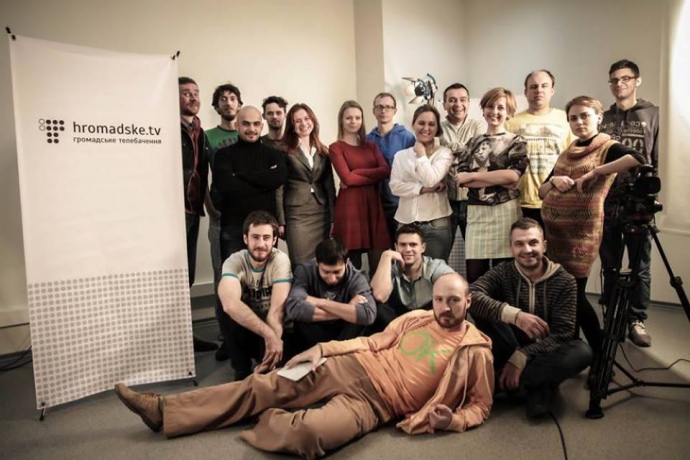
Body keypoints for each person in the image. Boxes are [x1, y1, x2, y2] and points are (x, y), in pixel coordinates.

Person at [114, 273, 494, 459]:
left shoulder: (475, 350)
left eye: (453, 301)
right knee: (263, 383)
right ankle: (164, 411)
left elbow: (481, 405)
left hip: (377, 404)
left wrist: (453, 421)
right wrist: (323, 350)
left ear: (468, 302)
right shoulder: (417, 318)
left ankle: (265, 415)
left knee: (309, 436)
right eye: (439, 299)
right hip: (352, 365)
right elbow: (372, 341)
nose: (444, 307)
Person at [539, 95, 645, 361]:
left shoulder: (607, 146)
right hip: (555, 236)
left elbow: (637, 158)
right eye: (573, 118)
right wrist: (555, 181)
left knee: (574, 294)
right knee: (563, 294)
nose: (579, 122)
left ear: (599, 117)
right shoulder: (568, 151)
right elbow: (541, 191)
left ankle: (599, 353)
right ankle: (571, 349)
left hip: (581, 236)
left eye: (584, 115)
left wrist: (597, 172)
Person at [470, 218, 592, 418]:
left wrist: (522, 356)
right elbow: (471, 295)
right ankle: (539, 387)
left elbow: (563, 334)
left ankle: (503, 383)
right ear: (511, 249)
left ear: (544, 246)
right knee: (481, 311)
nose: (527, 250)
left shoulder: (565, 281)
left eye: (533, 243)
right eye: (519, 244)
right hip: (508, 345)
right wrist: (515, 315)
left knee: (582, 351)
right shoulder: (502, 272)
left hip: (545, 352)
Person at [211, 107, 288, 362]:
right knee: (233, 290)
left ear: (262, 125)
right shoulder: (223, 155)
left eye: (256, 124)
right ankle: (236, 352)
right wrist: (261, 181)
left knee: (266, 290)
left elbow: (278, 177)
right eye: (246, 124)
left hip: (265, 232)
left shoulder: (274, 154)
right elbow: (226, 186)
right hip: (234, 230)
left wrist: (242, 177)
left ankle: (263, 341)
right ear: (237, 125)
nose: (252, 129)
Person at [599, 59, 660, 347]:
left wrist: (652, 194)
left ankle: (636, 319)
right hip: (607, 200)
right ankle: (612, 317)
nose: (619, 84)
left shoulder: (652, 114)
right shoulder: (603, 118)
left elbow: (656, 156)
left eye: (625, 78)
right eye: (614, 80)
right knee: (609, 265)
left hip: (639, 203)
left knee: (639, 265)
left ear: (637, 80)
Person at [453, 87, 529, 283]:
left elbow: (512, 176)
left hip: (505, 211)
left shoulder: (516, 142)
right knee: (475, 275)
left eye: (500, 107)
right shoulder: (472, 143)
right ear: (483, 109)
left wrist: (473, 176)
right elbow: (460, 178)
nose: (494, 112)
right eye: (490, 106)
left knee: (504, 275)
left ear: (509, 111)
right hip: (476, 213)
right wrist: (495, 177)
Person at [217, 211, 293, 380]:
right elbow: (229, 304)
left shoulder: (280, 260)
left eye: (266, 238)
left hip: (276, 328)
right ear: (246, 239)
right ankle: (241, 369)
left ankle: (266, 363)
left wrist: (272, 345)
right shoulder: (234, 261)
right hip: (252, 328)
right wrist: (268, 335)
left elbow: (277, 311)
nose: (260, 244)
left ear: (274, 240)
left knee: (274, 373)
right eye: (255, 237)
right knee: (223, 308)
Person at [178, 76, 217, 353]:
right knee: (172, 276)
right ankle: (174, 339)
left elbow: (201, 173)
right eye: (186, 93)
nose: (193, 97)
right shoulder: (166, 129)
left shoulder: (199, 132)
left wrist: (209, 208)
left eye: (196, 92)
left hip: (192, 211)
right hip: (172, 212)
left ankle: (184, 336)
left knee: (187, 276)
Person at [506, 70, 574, 228]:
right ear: (526, 92)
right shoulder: (511, 123)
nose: (539, 90)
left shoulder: (567, 119)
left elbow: (575, 158)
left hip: (557, 199)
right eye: (533, 87)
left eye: (544, 86)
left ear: (552, 90)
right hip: (520, 201)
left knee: (554, 244)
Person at [329, 100, 391, 272]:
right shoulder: (335, 148)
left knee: (379, 263)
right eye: (349, 118)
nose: (353, 121)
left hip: (373, 205)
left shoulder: (371, 145)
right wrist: (372, 175)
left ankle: (378, 291)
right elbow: (347, 179)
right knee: (351, 266)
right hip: (350, 208)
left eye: (357, 117)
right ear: (341, 120)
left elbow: (386, 171)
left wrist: (357, 172)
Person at [286, 238, 376, 350]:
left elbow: (368, 314)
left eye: (337, 272)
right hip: (315, 333)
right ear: (317, 263)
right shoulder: (305, 270)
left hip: (344, 335)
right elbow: (293, 307)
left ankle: (335, 352)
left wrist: (319, 302)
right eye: (326, 272)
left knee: (363, 319)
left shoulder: (357, 278)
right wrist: (348, 308)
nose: (332, 278)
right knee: (301, 319)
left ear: (347, 263)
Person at [389, 105, 453, 261]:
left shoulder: (444, 153)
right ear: (413, 124)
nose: (426, 128)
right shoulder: (400, 156)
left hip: (436, 225)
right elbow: (395, 187)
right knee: (407, 272)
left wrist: (422, 154)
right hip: (405, 223)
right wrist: (422, 189)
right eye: (421, 123)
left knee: (436, 272)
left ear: (437, 128)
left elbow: (431, 179)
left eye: (431, 124)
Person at [277, 103, 336, 266]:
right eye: (297, 121)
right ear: (292, 126)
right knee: (300, 262)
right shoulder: (284, 150)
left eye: (306, 118)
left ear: (313, 120)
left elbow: (330, 187)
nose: (303, 124)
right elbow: (279, 188)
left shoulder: (323, 150)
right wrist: (280, 220)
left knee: (322, 261)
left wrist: (333, 218)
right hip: (296, 214)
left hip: (321, 212)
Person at [371, 224, 454, 331]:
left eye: (413, 245)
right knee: (375, 307)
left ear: (423, 247)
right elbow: (379, 296)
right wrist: (386, 256)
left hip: (430, 320)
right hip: (398, 324)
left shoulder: (435, 267)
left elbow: (456, 291)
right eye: (403, 245)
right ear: (396, 247)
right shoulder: (390, 269)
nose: (408, 249)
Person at [366, 93, 416, 244]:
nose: (384, 111)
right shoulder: (367, 140)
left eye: (388, 107)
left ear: (395, 111)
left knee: (401, 249)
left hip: (399, 205)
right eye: (379, 107)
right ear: (373, 110)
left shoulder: (407, 138)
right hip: (375, 205)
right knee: (378, 251)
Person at [440, 83, 487, 242]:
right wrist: (467, 147)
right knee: (444, 248)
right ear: (444, 104)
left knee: (475, 248)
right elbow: (435, 156)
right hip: (445, 201)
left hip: (472, 200)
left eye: (462, 99)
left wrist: (446, 147)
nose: (458, 104)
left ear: (468, 102)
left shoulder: (478, 125)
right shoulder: (437, 128)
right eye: (452, 100)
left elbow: (478, 155)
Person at [205, 83, 242, 153]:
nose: (228, 103)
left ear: (239, 106)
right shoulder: (206, 136)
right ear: (217, 107)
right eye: (223, 99)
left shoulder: (248, 134)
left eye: (232, 99)